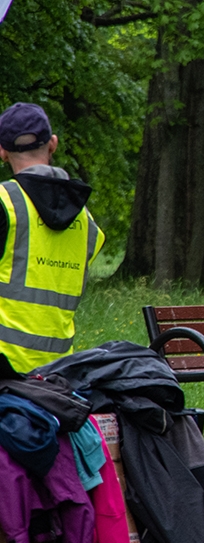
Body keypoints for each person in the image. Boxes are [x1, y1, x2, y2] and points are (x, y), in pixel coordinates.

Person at [0, 102, 105, 373]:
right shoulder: (85, 220)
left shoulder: (5, 202)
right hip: (58, 375)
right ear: (53, 144)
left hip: (6, 372)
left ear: (2, 151)